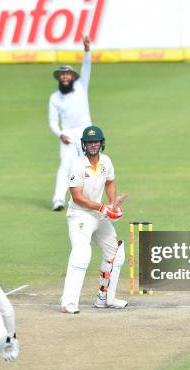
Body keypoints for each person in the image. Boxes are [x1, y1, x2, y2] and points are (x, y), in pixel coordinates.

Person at [61, 126, 127, 314]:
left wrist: (113, 205)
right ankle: (68, 303)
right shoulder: (78, 165)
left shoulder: (106, 161)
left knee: (115, 252)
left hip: (98, 214)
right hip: (80, 215)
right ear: (85, 144)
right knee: (82, 254)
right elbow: (77, 197)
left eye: (96, 141)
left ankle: (105, 298)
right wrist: (101, 207)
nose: (93, 145)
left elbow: (110, 182)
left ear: (101, 143)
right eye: (89, 142)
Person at [48, 35, 93, 211]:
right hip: (67, 134)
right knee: (66, 166)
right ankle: (58, 199)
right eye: (62, 75)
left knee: (88, 166)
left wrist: (87, 49)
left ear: (72, 77)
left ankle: (86, 200)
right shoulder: (54, 97)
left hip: (86, 132)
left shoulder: (82, 86)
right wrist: (60, 134)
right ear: (59, 78)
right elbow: (52, 121)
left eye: (67, 74)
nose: (65, 77)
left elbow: (87, 66)